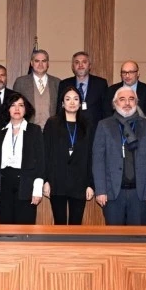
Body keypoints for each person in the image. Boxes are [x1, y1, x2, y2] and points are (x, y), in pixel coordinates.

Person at [93, 87, 146, 225]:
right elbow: (98, 160)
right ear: (115, 103)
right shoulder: (104, 125)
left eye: (131, 99)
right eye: (122, 99)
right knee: (114, 235)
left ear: (136, 102)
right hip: (112, 193)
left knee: (137, 236)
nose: (127, 103)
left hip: (140, 193)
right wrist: (100, 190)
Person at [0, 93, 45, 224]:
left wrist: (37, 189)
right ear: (7, 109)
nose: (17, 109)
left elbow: (41, 161)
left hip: (25, 183)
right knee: (5, 227)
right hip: (4, 184)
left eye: (21, 105)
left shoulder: (34, 130)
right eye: (13, 105)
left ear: (26, 109)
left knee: (25, 227)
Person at [43, 86, 94, 225]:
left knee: (76, 225)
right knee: (59, 224)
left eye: (76, 99)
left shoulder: (87, 125)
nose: (72, 102)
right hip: (57, 181)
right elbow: (45, 153)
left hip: (80, 182)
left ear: (80, 103)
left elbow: (91, 156)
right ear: (62, 103)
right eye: (68, 99)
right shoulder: (52, 123)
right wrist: (46, 180)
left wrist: (90, 184)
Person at [57, 51, 109, 128]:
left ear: (89, 66)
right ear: (73, 67)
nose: (80, 65)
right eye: (77, 62)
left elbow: (106, 110)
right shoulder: (64, 84)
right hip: (71, 129)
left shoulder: (101, 84)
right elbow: (60, 109)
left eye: (84, 62)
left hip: (95, 130)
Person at [13, 49, 60, 128]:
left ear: (48, 64)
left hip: (52, 130)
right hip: (28, 129)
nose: (40, 64)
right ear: (32, 63)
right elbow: (14, 107)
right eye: (37, 61)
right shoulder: (21, 82)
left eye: (44, 61)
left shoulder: (57, 82)